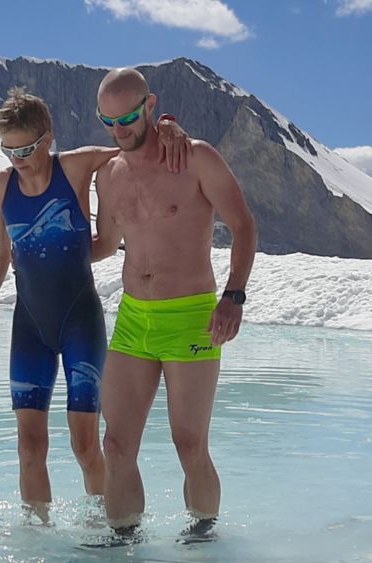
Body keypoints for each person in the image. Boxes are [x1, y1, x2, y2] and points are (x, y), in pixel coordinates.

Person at [0, 88, 187, 522]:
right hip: (30, 327)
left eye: (25, 148)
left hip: (80, 321)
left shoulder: (76, 166)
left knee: (84, 444)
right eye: (7, 149)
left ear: (47, 138)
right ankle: (37, 535)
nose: (17, 159)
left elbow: (134, 143)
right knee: (29, 446)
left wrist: (168, 124)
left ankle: (102, 525)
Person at [91, 68, 257, 536]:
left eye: (126, 117)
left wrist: (234, 297)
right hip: (132, 318)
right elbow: (105, 244)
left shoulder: (195, 157)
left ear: (150, 105)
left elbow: (243, 225)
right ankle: (126, 540)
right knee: (117, 443)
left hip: (191, 318)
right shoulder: (108, 174)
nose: (118, 130)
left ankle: (202, 535)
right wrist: (53, 258)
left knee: (189, 444)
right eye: (107, 120)